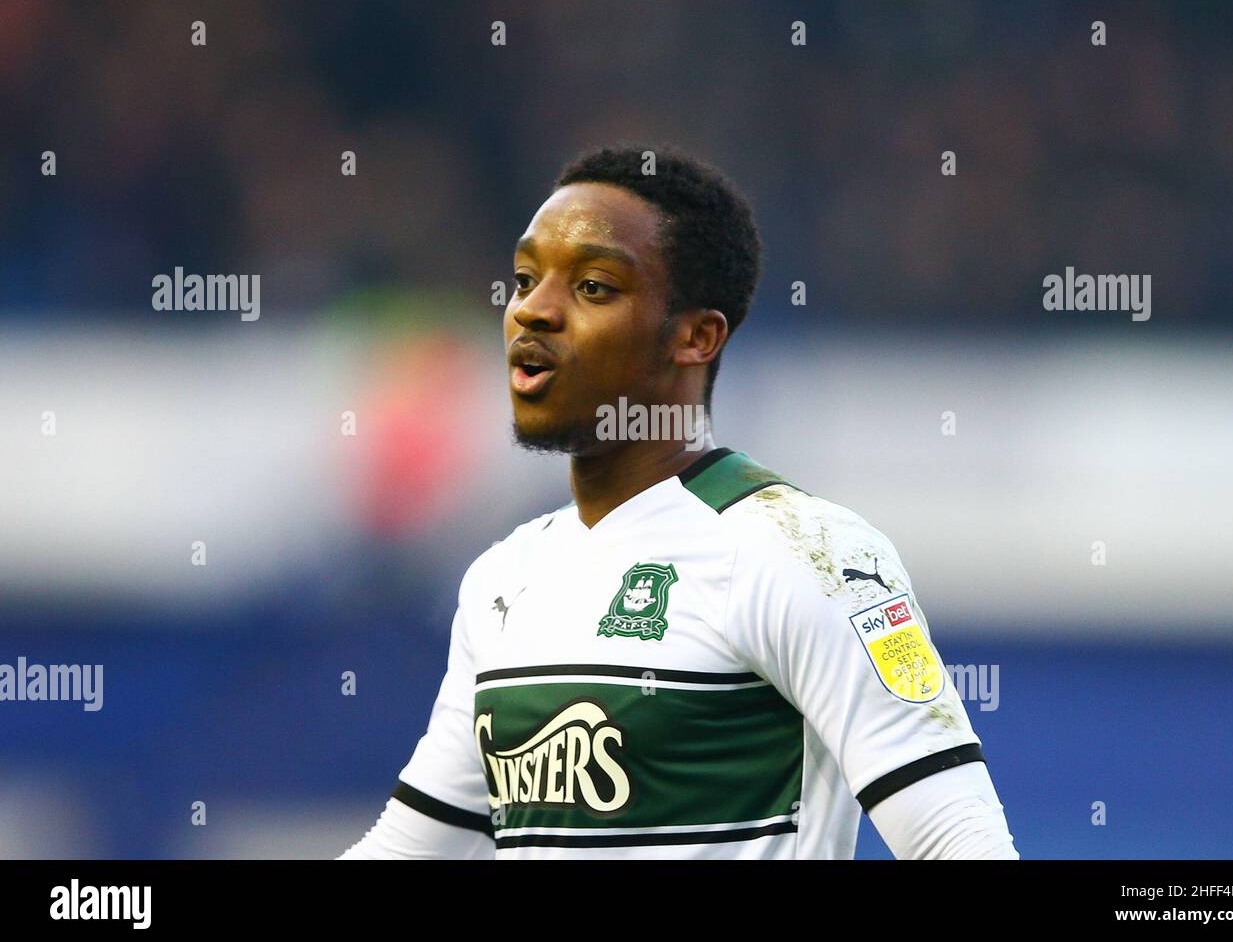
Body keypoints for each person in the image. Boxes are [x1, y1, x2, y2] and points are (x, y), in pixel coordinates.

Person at [340, 144, 1018, 859]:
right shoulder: (503, 579)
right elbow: (409, 849)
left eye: (593, 287)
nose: (534, 311)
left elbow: (954, 840)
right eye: (525, 279)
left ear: (696, 337)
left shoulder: (804, 552)